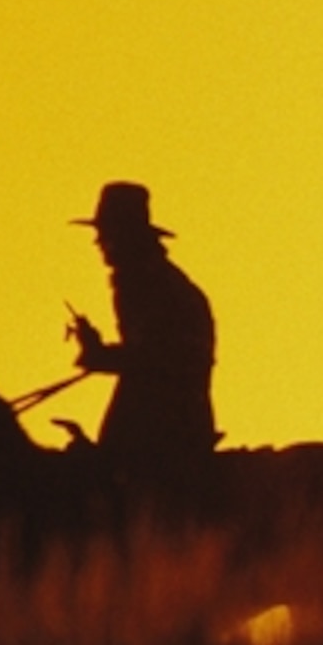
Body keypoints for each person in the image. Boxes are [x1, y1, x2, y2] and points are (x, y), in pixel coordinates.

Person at [69, 181, 220, 501]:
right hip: (166, 410)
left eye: (107, 234)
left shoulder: (151, 285)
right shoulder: (151, 281)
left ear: (127, 237)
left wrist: (98, 354)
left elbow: (154, 358)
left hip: (167, 419)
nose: (99, 243)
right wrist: (100, 353)